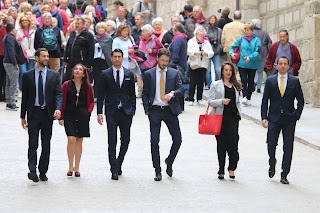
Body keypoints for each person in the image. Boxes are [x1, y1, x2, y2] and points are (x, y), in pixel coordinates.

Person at [20, 48, 63, 182]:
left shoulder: (54, 75)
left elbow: (58, 94)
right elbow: (25, 97)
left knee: (46, 143)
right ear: (37, 58)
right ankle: (32, 170)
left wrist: (58, 109)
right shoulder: (27, 75)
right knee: (33, 143)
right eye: (43, 56)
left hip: (48, 114)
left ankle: (43, 171)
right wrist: (23, 116)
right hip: (34, 113)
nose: (46, 59)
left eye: (47, 56)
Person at [142, 48, 184, 181]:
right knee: (154, 140)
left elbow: (181, 88)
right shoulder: (149, 74)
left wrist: (173, 94)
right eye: (162, 60)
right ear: (157, 59)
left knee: (177, 139)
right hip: (154, 109)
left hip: (169, 110)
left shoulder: (174, 73)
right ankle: (157, 170)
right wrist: (147, 109)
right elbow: (145, 92)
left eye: (167, 61)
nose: (164, 63)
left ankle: (169, 161)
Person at [261, 56, 304, 184]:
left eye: (285, 64)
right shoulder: (270, 81)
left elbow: (301, 100)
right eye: (280, 64)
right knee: (271, 144)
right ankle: (272, 161)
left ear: (289, 66)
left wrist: (296, 115)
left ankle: (284, 174)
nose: (283, 66)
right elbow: (265, 101)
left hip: (289, 119)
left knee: (288, 147)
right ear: (276, 65)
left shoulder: (294, 81)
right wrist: (264, 117)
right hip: (273, 118)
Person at [97, 49, 136, 180]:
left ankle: (119, 162)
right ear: (112, 58)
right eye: (115, 57)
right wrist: (99, 112)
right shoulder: (105, 74)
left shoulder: (129, 73)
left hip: (126, 111)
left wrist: (133, 110)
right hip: (111, 111)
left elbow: (132, 94)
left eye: (119, 57)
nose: (117, 59)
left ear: (122, 58)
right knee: (112, 141)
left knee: (125, 140)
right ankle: (113, 169)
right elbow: (100, 94)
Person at [208, 61, 242, 179]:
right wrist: (221, 101)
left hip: (233, 118)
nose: (228, 72)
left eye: (230, 70)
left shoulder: (236, 85)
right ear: (222, 72)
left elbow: (238, 102)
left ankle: (232, 168)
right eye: (226, 70)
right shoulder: (216, 84)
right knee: (221, 145)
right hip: (220, 118)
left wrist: (240, 114)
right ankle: (221, 169)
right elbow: (210, 101)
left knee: (233, 144)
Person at [59, 64, 94, 177]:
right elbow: (62, 100)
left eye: (80, 69)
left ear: (84, 73)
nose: (77, 71)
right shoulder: (66, 85)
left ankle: (77, 167)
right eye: (76, 69)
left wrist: (88, 112)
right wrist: (61, 116)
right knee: (71, 138)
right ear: (72, 72)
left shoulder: (87, 86)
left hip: (83, 115)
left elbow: (91, 101)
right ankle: (70, 166)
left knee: (79, 140)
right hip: (69, 114)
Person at [229, 22, 261, 106]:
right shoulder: (241, 39)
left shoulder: (257, 40)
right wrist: (232, 53)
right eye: (245, 30)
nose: (246, 32)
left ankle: (248, 97)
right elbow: (232, 47)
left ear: (252, 31)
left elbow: (257, 51)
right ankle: (244, 96)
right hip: (242, 63)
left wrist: (250, 57)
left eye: (248, 30)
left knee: (251, 81)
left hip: (252, 64)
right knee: (244, 80)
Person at [187, 25, 214, 106]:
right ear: (196, 32)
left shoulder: (207, 42)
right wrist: (194, 53)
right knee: (192, 81)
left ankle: (199, 99)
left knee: (201, 82)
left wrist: (207, 53)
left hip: (203, 64)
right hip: (194, 63)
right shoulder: (191, 41)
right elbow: (187, 51)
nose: (201, 30)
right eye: (199, 29)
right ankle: (191, 98)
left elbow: (211, 53)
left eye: (202, 29)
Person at [64, 17, 94, 82]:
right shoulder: (73, 33)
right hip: (71, 61)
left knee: (80, 80)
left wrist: (88, 64)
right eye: (76, 23)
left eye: (79, 24)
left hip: (81, 61)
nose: (77, 25)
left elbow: (91, 50)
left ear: (83, 25)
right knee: (67, 79)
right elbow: (68, 45)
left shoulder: (88, 35)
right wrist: (65, 58)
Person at [168, 23, 188, 111]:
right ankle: (181, 105)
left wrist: (171, 64)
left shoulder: (177, 40)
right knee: (179, 85)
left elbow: (175, 54)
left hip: (177, 65)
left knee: (176, 85)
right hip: (181, 65)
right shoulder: (183, 39)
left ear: (176, 30)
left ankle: (178, 105)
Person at [92, 22, 113, 101]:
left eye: (102, 28)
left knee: (105, 78)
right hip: (96, 60)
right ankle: (97, 95)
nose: (100, 30)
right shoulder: (94, 38)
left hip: (104, 60)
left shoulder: (108, 38)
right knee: (97, 78)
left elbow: (109, 50)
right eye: (99, 28)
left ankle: (106, 95)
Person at [251, 19, 272, 93]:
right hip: (263, 53)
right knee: (260, 71)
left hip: (254, 53)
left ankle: (253, 82)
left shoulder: (252, 33)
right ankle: (259, 87)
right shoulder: (265, 33)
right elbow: (270, 43)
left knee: (253, 70)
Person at [16, 15, 36, 93]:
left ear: (29, 22)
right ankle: (22, 89)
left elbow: (36, 43)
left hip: (32, 54)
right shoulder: (18, 32)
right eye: (23, 20)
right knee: (23, 72)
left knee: (30, 73)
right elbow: (17, 44)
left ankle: (29, 89)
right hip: (22, 55)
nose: (24, 22)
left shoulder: (33, 31)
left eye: (26, 20)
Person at [2, 23, 19, 110]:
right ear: (12, 29)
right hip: (10, 62)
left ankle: (8, 100)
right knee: (13, 82)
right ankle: (11, 102)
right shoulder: (10, 38)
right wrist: (14, 62)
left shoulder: (6, 37)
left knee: (8, 82)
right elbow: (11, 50)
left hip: (6, 61)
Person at [206, 14, 222, 86]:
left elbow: (221, 41)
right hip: (208, 52)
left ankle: (217, 84)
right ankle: (209, 85)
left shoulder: (219, 30)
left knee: (217, 70)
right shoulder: (206, 29)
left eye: (214, 18)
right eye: (211, 18)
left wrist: (220, 47)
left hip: (216, 51)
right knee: (208, 70)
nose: (212, 20)